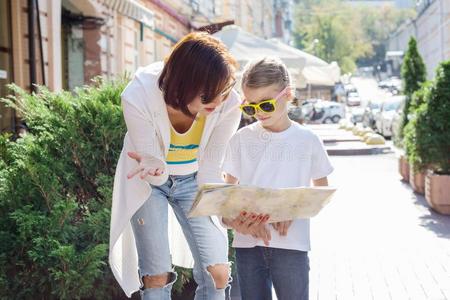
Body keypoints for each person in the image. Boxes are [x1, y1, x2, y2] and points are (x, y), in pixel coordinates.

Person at [109, 32, 241, 300]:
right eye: (208, 97)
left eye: (222, 93)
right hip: (147, 181)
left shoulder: (229, 105)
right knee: (155, 275)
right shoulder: (138, 94)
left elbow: (210, 167)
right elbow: (152, 164)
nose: (216, 104)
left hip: (195, 179)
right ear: (184, 84)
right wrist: (156, 167)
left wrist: (221, 206)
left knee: (218, 272)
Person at [221, 57, 334, 300]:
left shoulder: (307, 140)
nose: (258, 113)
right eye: (250, 107)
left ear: (288, 94)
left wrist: (292, 210)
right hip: (247, 247)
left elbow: (321, 194)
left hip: (291, 246)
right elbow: (225, 202)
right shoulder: (240, 139)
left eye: (266, 105)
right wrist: (233, 221)